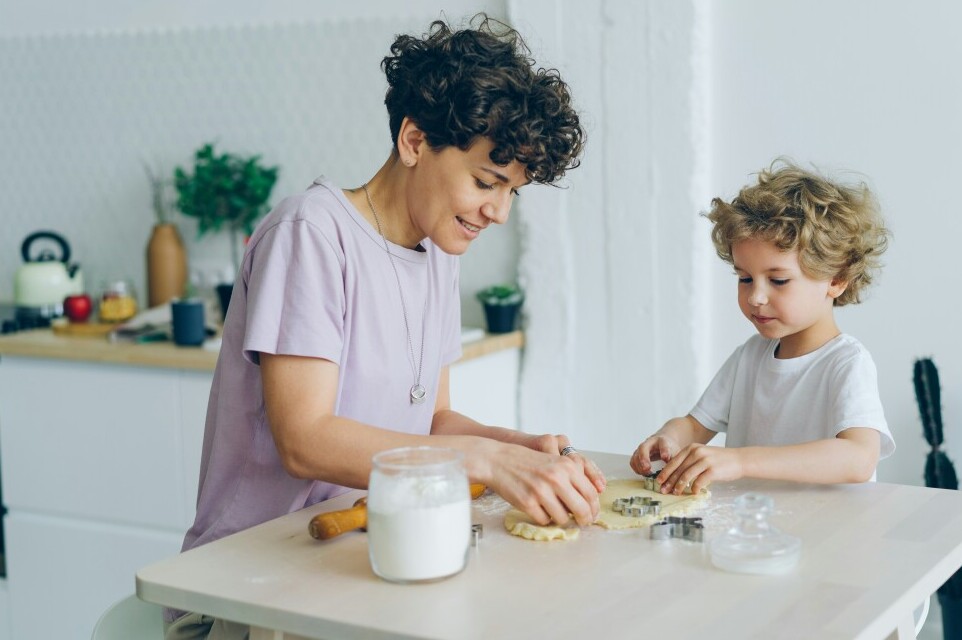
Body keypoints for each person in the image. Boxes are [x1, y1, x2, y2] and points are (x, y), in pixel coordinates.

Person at [165, 14, 604, 638]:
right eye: (486, 182)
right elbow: (305, 440)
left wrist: (513, 449)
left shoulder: (437, 253)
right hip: (249, 586)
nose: (499, 212)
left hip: (358, 562)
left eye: (513, 193)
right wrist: (484, 462)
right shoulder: (311, 234)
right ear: (415, 141)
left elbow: (431, 423)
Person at [630, 159, 895, 495]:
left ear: (837, 279)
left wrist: (740, 461)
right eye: (744, 278)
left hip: (831, 536)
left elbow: (859, 458)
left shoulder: (846, 363)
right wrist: (669, 438)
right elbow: (696, 426)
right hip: (759, 530)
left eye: (778, 280)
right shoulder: (750, 357)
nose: (755, 296)